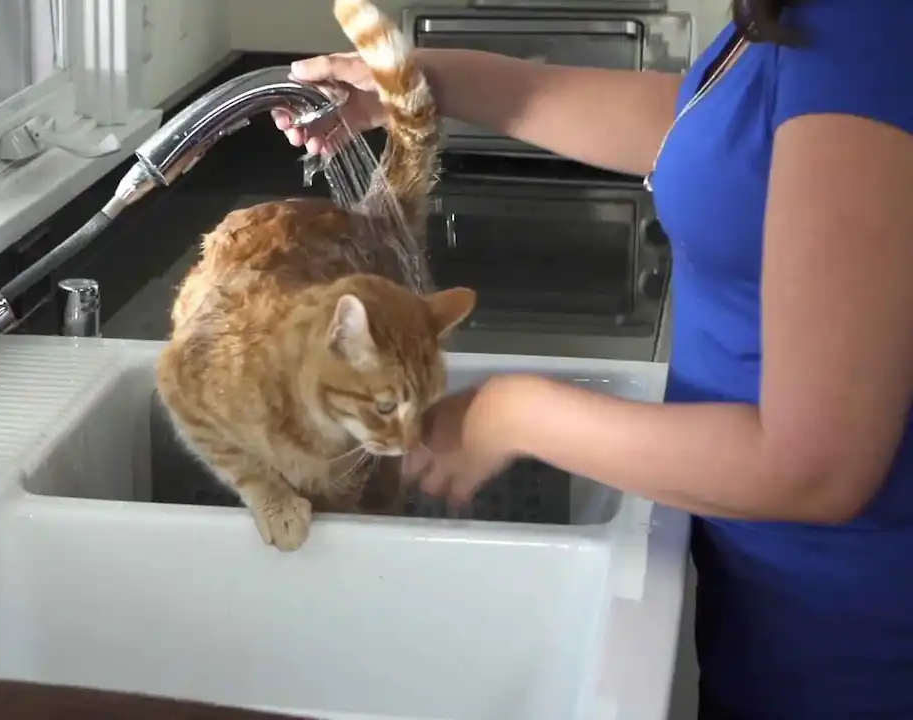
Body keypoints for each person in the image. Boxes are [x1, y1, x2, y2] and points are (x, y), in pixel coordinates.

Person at [277, 1, 913, 718]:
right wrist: (422, 84)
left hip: (857, 650)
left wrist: (513, 414)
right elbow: (714, 131)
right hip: (783, 618)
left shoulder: (873, 20)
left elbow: (816, 466)